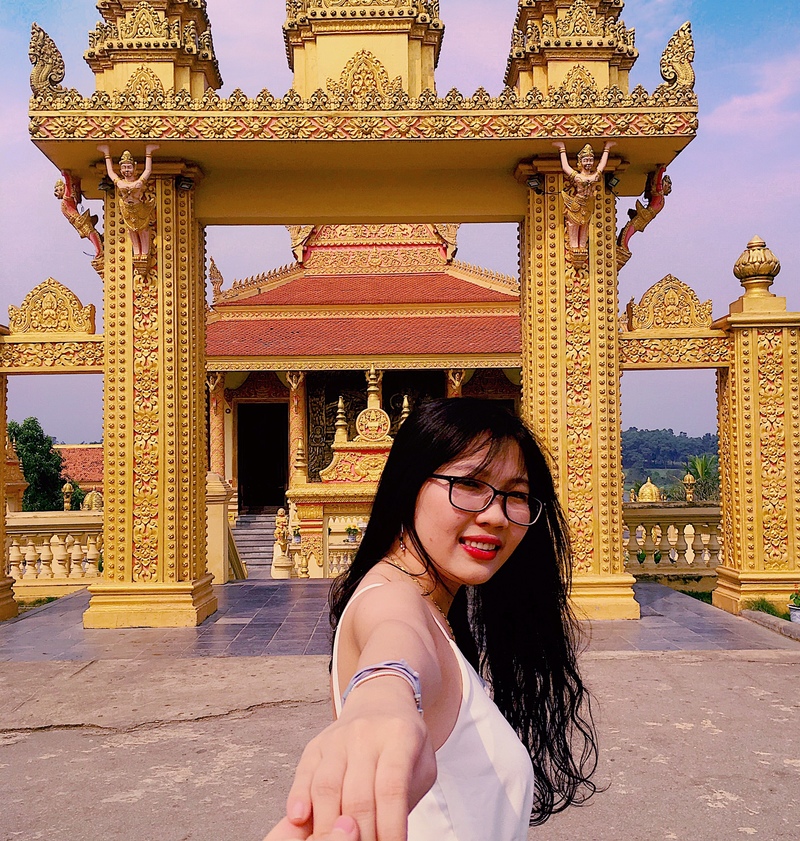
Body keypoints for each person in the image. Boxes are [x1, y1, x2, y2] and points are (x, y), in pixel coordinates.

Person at [267, 398, 598, 841]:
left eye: (516, 496)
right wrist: (383, 700)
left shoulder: (435, 607)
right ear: (408, 487)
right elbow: (395, 638)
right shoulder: (391, 599)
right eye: (469, 484)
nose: (496, 515)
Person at [553, 140, 615, 257]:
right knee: (574, 225)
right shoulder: (577, 177)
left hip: (588, 205)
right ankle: (574, 246)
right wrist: (562, 149)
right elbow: (565, 167)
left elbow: (602, 166)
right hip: (577, 204)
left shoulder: (594, 176)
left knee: (585, 225)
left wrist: (607, 149)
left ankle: (582, 245)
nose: (589, 163)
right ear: (580, 162)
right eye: (585, 160)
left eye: (590, 160)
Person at [97, 144, 159, 258]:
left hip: (139, 209)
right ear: (120, 169)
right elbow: (110, 172)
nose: (126, 170)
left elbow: (148, 170)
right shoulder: (120, 182)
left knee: (143, 230)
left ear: (134, 168)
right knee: (131, 230)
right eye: (124, 167)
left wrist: (148, 153)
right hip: (127, 210)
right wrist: (106, 154)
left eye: (129, 167)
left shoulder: (138, 182)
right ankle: (136, 251)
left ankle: (144, 252)